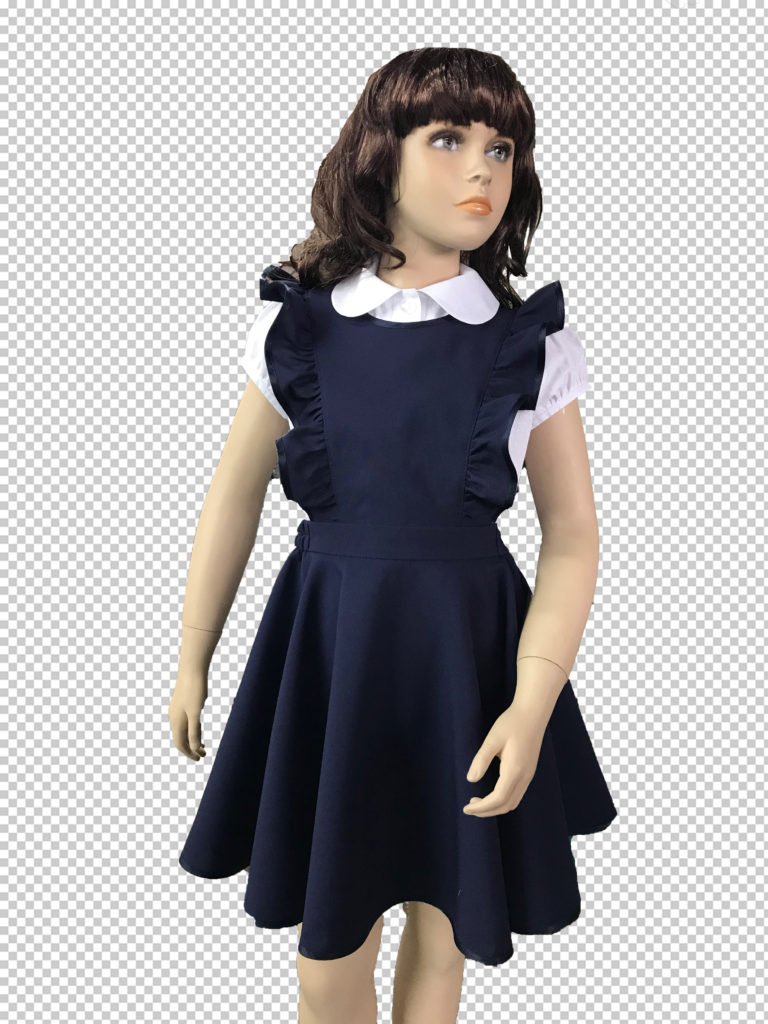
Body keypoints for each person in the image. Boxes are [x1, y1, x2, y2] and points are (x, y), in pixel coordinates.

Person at [168, 46, 617, 1024]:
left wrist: (532, 699)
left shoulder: (527, 345)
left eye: (501, 147)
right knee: (327, 957)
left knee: (446, 932)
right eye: (448, 139)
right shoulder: (300, 331)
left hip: (471, 657)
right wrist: (193, 654)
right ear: (382, 154)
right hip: (333, 651)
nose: (482, 169)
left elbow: (574, 533)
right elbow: (233, 496)